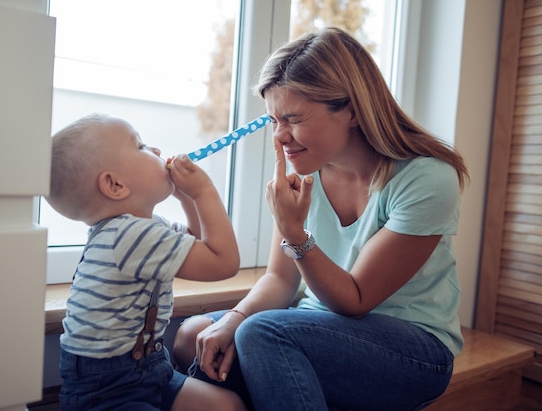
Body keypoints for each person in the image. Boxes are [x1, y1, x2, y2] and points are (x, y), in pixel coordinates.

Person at [172, 27, 470, 411]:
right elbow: (280, 279)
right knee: (194, 334)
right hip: (313, 328)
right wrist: (233, 318)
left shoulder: (427, 178)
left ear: (351, 111)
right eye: (273, 120)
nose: (280, 137)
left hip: (414, 349)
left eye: (293, 119)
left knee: (262, 333)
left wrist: (294, 232)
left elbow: (356, 299)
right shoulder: (303, 178)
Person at [47, 113, 246, 411]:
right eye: (140, 146)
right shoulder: (129, 236)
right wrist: (204, 191)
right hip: (107, 387)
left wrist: (187, 199)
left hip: (150, 367)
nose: (154, 150)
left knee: (226, 405)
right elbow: (223, 261)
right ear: (115, 185)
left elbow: (197, 239)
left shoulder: (144, 227)